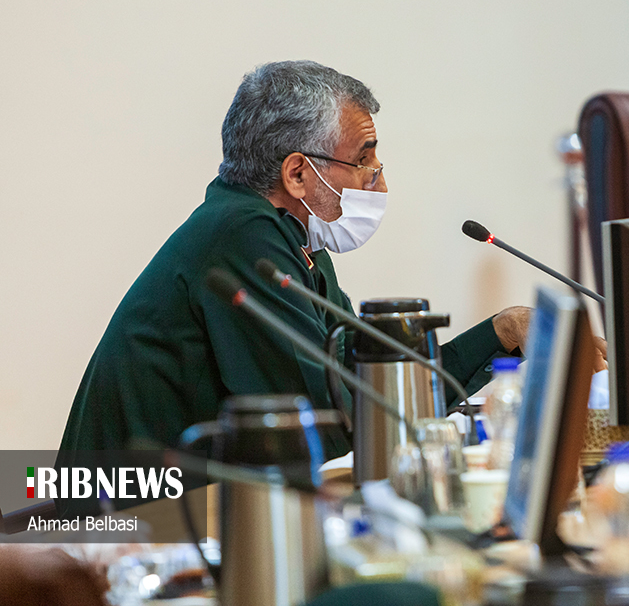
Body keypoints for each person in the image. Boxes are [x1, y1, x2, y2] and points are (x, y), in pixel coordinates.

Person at [59, 60, 532, 457]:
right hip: (128, 520)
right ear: (298, 174)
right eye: (364, 162)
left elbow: (369, 394)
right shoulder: (241, 236)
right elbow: (332, 427)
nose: (379, 183)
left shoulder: (297, 240)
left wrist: (502, 332)